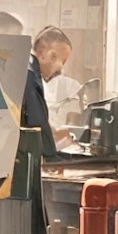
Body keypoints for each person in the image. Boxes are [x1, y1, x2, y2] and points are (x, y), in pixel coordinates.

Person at [22, 26, 73, 158]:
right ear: (42, 53)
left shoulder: (25, 69)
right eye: (61, 61)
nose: (61, 69)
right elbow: (36, 126)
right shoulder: (30, 77)